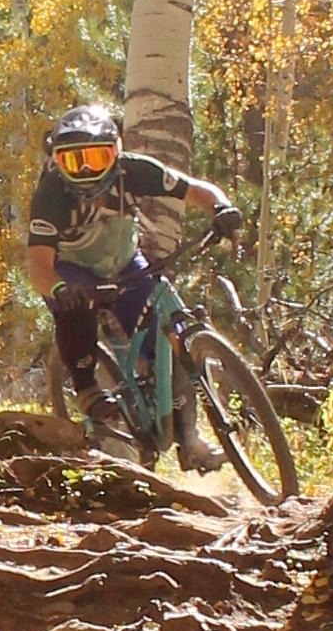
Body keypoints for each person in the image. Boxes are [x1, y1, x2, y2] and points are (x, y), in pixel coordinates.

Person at [25, 101, 242, 470]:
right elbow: (39, 267)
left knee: (168, 345)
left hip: (125, 264)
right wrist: (61, 290)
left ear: (118, 151)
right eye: (74, 162)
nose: (88, 171)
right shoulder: (50, 195)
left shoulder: (135, 170)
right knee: (75, 309)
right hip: (73, 268)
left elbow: (194, 190)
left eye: (98, 157)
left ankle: (190, 440)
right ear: (55, 162)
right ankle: (87, 388)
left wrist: (221, 208)